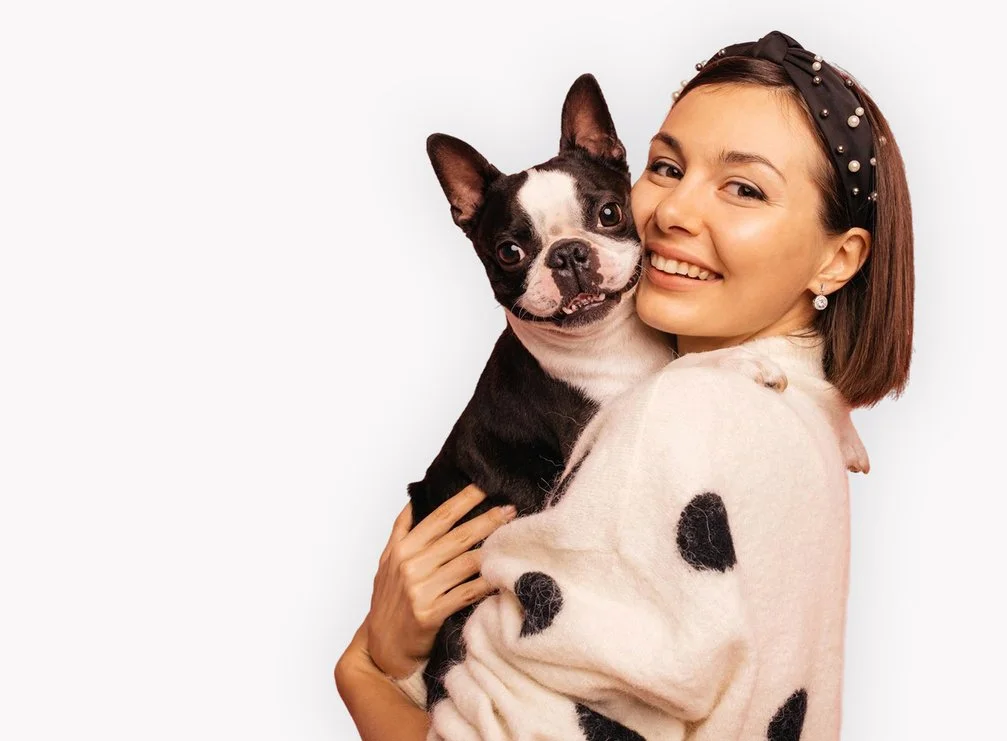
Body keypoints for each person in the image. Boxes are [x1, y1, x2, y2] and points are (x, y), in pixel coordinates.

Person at [336, 31, 914, 741]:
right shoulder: (782, 411)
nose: (672, 212)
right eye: (666, 167)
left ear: (839, 257)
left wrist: (366, 666)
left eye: (744, 186)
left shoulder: (676, 419)